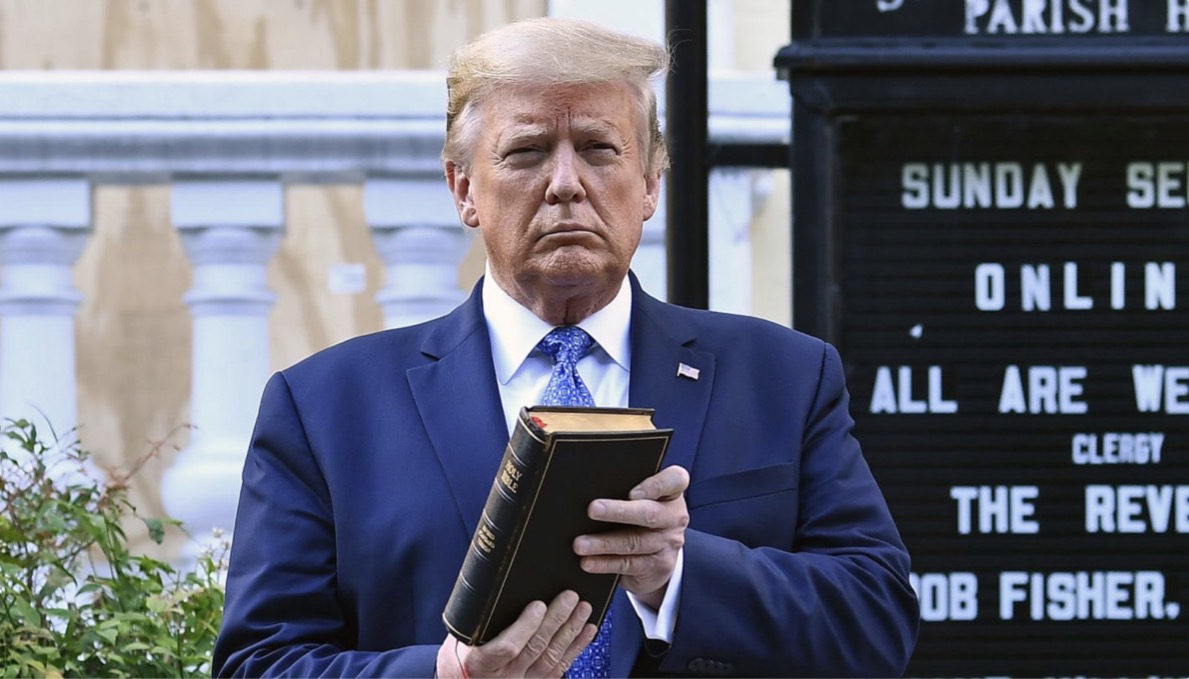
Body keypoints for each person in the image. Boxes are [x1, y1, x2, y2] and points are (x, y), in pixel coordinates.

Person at [212, 16, 919, 679]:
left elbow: (877, 620)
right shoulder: (325, 407)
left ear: (650, 183)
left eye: (597, 148)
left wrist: (677, 573)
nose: (564, 184)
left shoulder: (784, 378)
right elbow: (259, 662)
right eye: (525, 152)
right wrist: (446, 672)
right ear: (463, 189)